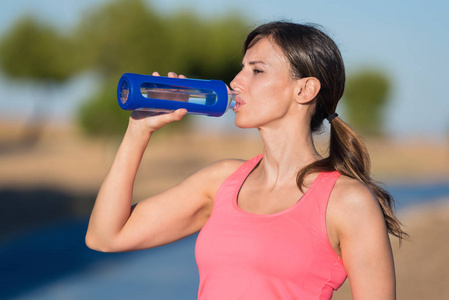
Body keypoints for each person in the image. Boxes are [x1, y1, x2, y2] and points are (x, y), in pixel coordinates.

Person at [86, 21, 406, 299]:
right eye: (241, 68)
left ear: (305, 89)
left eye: (256, 70)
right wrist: (138, 130)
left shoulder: (348, 202)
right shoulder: (221, 181)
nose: (236, 81)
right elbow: (105, 237)